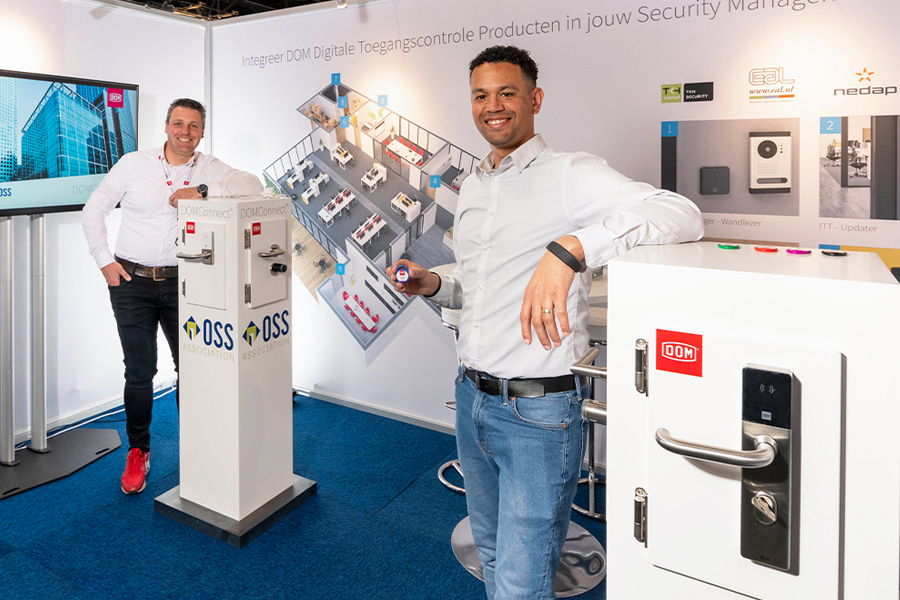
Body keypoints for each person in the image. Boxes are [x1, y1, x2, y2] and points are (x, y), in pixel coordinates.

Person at [387, 46, 704, 599]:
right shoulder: (474, 186)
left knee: (522, 582)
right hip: (471, 397)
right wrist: (434, 283)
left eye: (507, 93)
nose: (493, 106)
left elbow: (682, 214)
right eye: (481, 95)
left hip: (537, 413)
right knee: (490, 552)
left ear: (534, 99)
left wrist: (572, 248)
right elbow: (479, 285)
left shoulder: (568, 173)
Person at [83, 98, 262, 494]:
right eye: (178, 123)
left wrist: (203, 190)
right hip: (132, 282)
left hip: (187, 282)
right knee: (139, 371)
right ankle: (138, 451)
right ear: (166, 127)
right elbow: (93, 209)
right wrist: (104, 260)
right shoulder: (134, 163)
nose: (185, 132)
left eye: (193, 125)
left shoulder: (209, 167)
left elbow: (253, 185)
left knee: (194, 368)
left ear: (202, 132)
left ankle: (196, 448)